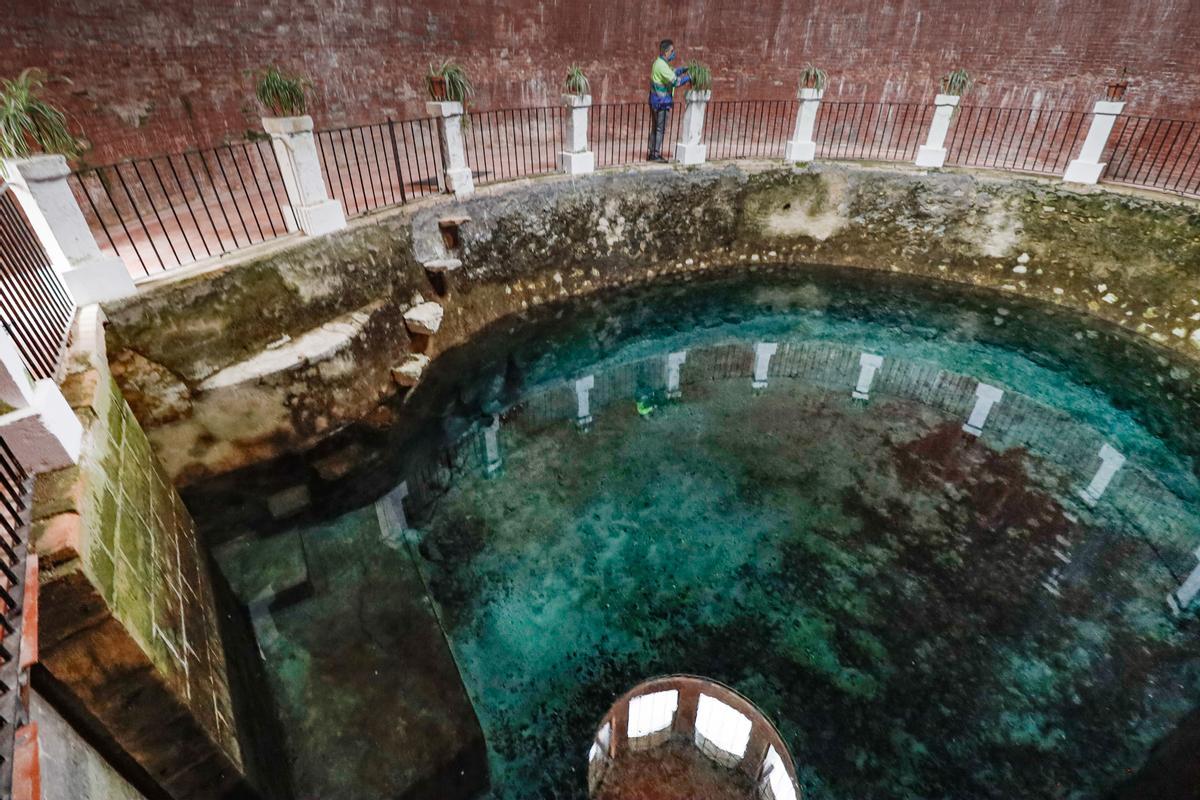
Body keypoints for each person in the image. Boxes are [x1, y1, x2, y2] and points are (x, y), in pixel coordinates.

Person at [648, 39, 690, 162]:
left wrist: (682, 70)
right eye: (672, 51)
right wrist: (689, 77)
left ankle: (652, 152)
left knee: (655, 128)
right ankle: (655, 154)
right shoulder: (661, 66)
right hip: (662, 102)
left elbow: (671, 72)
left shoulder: (659, 63)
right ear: (666, 52)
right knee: (660, 129)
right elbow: (675, 81)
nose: (673, 53)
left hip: (655, 100)